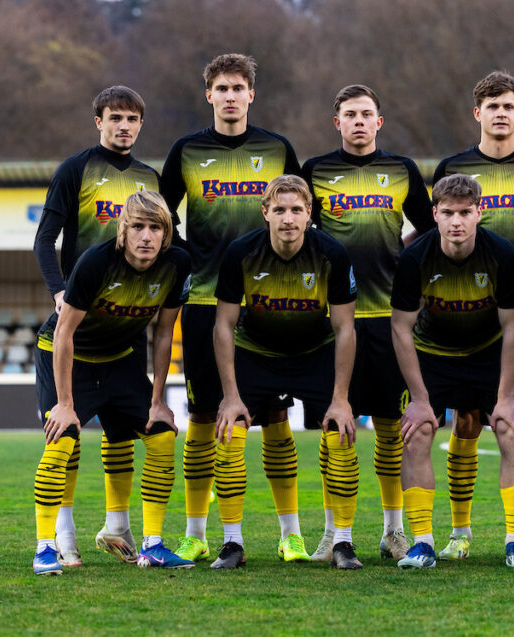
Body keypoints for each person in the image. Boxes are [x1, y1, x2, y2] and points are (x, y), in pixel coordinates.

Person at [160, 53, 301, 563]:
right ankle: (197, 533)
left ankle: (290, 535)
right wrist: (186, 257)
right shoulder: (186, 151)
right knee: (202, 416)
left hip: (268, 304)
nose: (230, 96)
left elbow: (301, 214)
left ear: (251, 94)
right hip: (204, 300)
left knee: (276, 417)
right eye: (221, 88)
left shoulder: (277, 149)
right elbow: (161, 214)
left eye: (238, 87)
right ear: (209, 95)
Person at [302, 84, 435, 562]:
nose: (358, 121)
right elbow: (297, 229)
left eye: (366, 114)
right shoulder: (315, 171)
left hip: (389, 319)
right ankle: (333, 533)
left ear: (379, 122)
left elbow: (431, 227)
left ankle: (393, 531)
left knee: (390, 428)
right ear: (336, 122)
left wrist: (406, 263)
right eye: (350, 114)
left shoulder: (402, 170)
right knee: (335, 426)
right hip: (335, 320)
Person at [432, 71, 514, 561]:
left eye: (508, 106)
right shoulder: (454, 167)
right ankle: (459, 532)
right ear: (477, 113)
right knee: (465, 420)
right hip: (470, 316)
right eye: (491, 106)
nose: (500, 113)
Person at [32, 191, 192, 575]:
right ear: (122, 230)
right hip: (68, 356)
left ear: (167, 233)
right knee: (62, 437)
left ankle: (153, 545)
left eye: (156, 228)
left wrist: (158, 400)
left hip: (119, 359)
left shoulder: (178, 263)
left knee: (161, 434)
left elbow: (164, 333)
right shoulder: (96, 262)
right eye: (138, 227)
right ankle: (45, 548)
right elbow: (64, 333)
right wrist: (65, 405)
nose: (146, 236)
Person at [33, 86, 159, 568]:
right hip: (77, 324)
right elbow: (45, 239)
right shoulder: (76, 169)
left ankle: (117, 527)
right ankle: (62, 537)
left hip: (124, 328)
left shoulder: (149, 178)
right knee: (64, 434)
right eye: (115, 117)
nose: (124, 126)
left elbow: (166, 238)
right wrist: (59, 291)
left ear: (141, 124)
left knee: (123, 430)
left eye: (132, 118)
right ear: (98, 121)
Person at [211, 175, 359, 569]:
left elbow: (345, 327)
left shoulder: (332, 253)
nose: (288, 218)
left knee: (341, 433)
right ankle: (232, 544)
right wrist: (230, 396)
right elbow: (223, 325)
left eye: (296, 210)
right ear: (265, 213)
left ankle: (343, 543)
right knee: (229, 432)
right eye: (279, 210)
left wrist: (341, 398)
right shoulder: (241, 253)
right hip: (256, 354)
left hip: (314, 354)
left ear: (309, 213)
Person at [390, 174, 514, 570]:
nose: (457, 221)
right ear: (434, 213)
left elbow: (513, 326)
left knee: (511, 428)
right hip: (433, 356)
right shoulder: (414, 258)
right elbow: (400, 328)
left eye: (465, 212)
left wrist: (506, 397)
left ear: (479, 213)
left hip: (488, 355)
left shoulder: (502, 253)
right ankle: (422, 544)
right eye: (449, 213)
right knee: (417, 431)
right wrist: (420, 399)